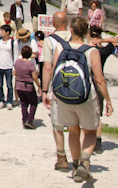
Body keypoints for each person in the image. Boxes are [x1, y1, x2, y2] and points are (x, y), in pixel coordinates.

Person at [42, 16, 113, 182]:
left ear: (71, 30)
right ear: (86, 32)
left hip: (64, 97)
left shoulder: (60, 47)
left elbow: (53, 70)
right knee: (90, 132)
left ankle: (74, 167)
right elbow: (99, 80)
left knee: (73, 132)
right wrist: (108, 101)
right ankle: (85, 161)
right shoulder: (92, 51)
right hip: (85, 97)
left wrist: (48, 92)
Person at [42, 11, 71, 171]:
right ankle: (80, 160)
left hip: (59, 86)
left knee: (58, 124)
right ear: (67, 23)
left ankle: (61, 158)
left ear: (53, 24)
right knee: (76, 125)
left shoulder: (50, 41)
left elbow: (47, 67)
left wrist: (45, 90)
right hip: (78, 86)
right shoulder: (77, 37)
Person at [88, 25, 118, 153]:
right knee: (97, 114)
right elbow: (115, 41)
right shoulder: (104, 52)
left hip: (86, 80)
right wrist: (103, 41)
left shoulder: (86, 49)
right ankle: (98, 143)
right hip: (99, 81)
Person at [14, 45, 40, 129]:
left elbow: (15, 73)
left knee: (24, 104)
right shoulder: (30, 64)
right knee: (33, 103)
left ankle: (24, 119)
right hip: (28, 86)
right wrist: (39, 86)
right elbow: (35, 77)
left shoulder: (17, 62)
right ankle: (30, 120)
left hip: (19, 85)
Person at [0, 25, 16, 109]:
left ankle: (9, 101)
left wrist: (14, 68)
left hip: (8, 66)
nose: (1, 32)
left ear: (7, 32)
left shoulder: (13, 43)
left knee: (9, 85)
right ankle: (1, 100)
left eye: (2, 31)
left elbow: (15, 56)